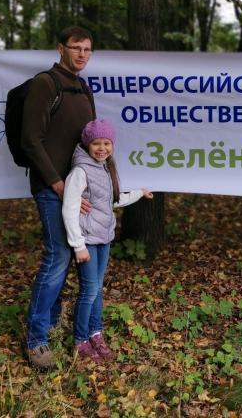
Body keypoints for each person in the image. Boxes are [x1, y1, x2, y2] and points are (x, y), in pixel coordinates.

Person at [23, 26, 96, 371]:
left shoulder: (83, 88)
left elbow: (89, 140)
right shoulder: (45, 84)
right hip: (52, 187)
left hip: (77, 189)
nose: (82, 54)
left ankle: (51, 320)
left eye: (87, 49)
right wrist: (57, 183)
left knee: (66, 255)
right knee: (59, 255)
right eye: (76, 47)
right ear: (61, 48)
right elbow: (30, 140)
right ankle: (36, 340)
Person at [62, 119, 153, 363]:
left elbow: (111, 200)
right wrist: (78, 245)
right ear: (87, 144)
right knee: (89, 291)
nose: (102, 148)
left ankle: (95, 333)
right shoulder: (80, 171)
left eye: (106, 143)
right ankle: (80, 340)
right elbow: (69, 208)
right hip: (87, 240)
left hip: (104, 237)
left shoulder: (105, 167)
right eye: (96, 143)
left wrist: (139, 193)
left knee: (97, 289)